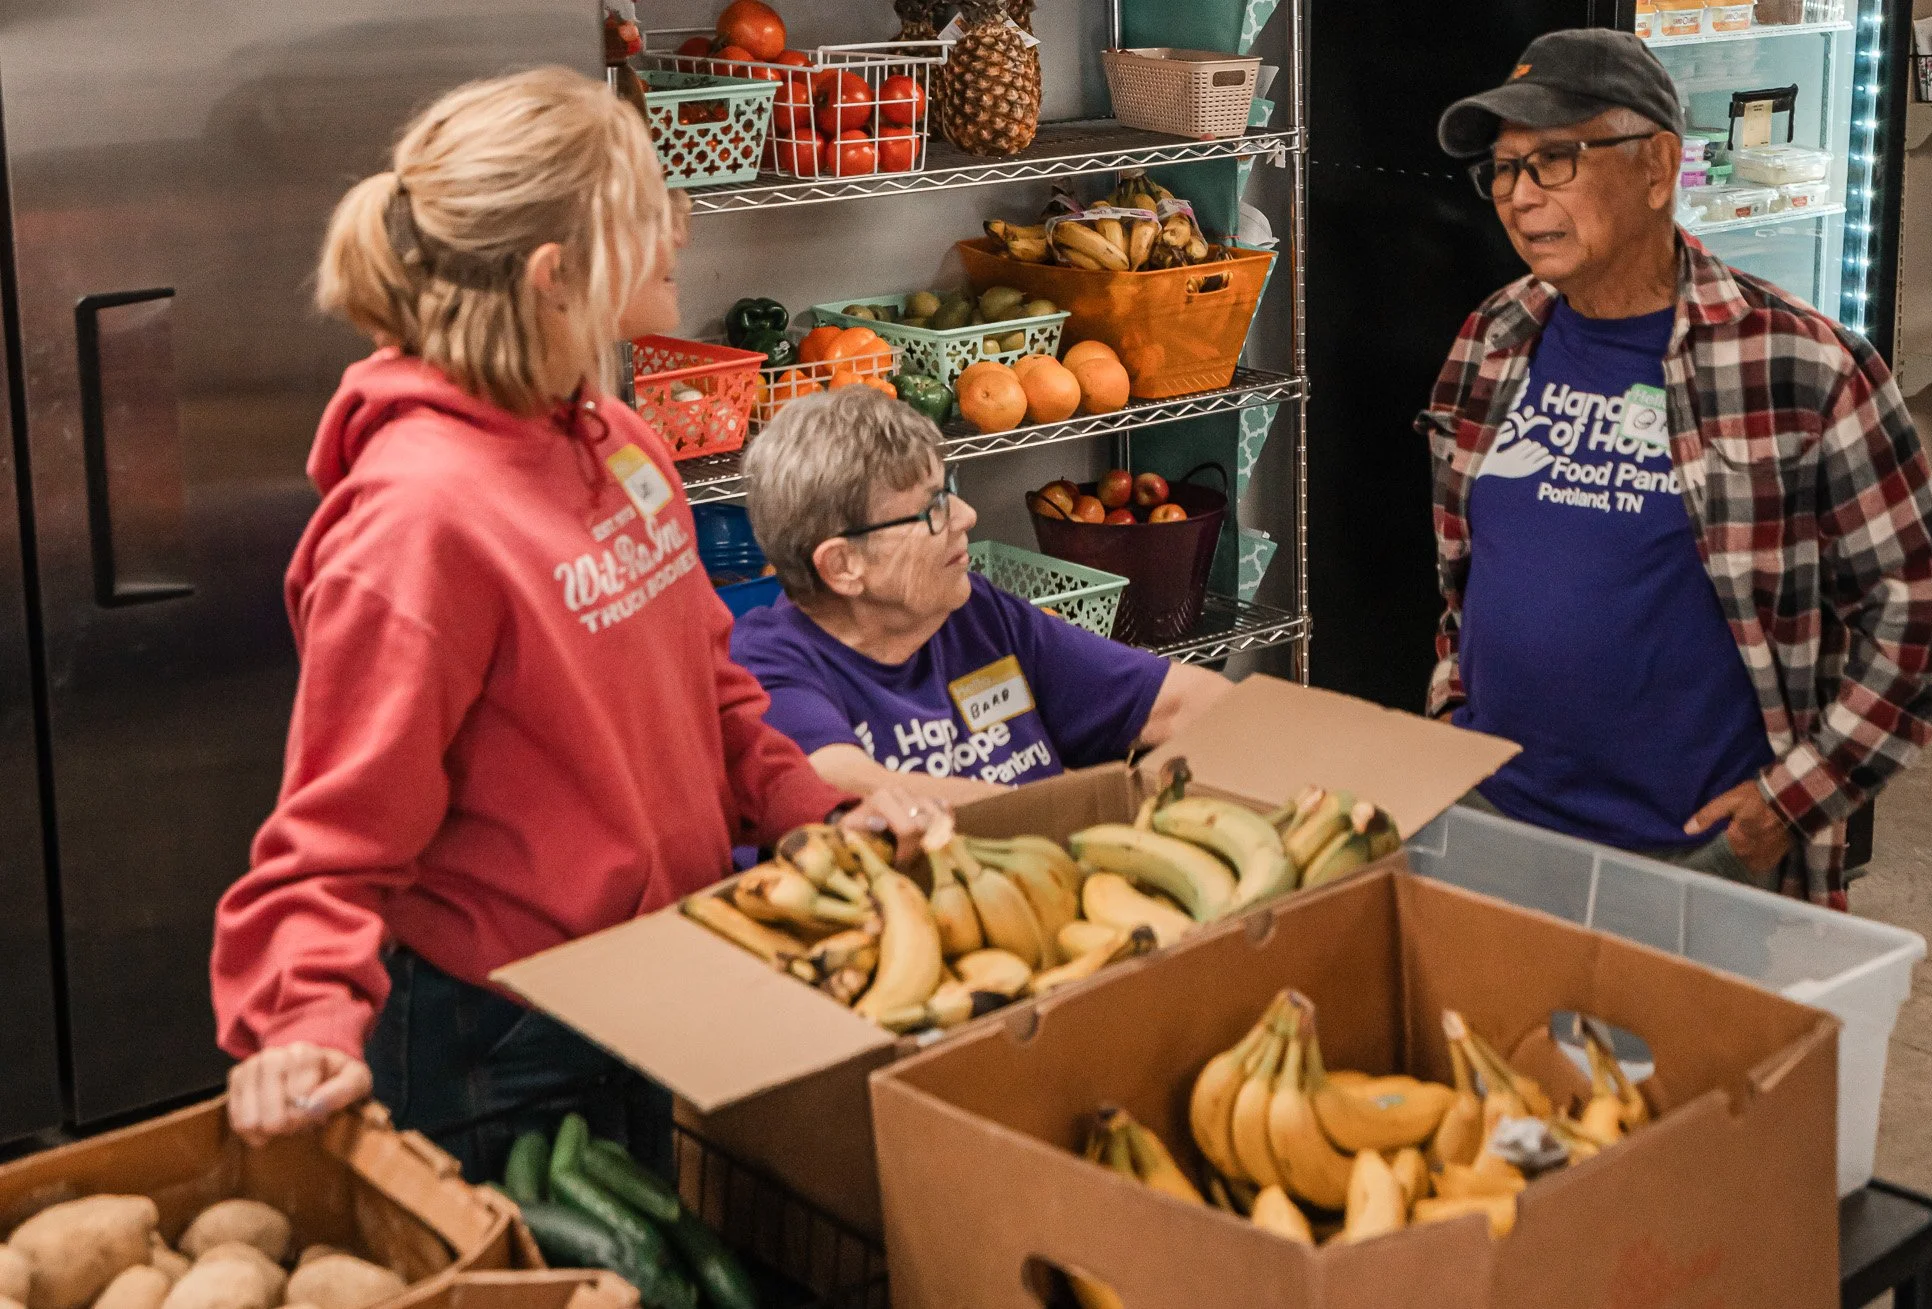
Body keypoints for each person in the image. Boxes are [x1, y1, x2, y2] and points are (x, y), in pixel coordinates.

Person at [209, 69, 933, 1179]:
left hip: (661, 973)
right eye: (650, 211)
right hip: (500, 1037)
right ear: (555, 278)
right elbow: (332, 841)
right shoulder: (418, 524)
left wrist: (808, 807)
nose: (679, 232)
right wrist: (299, 1021)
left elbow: (709, 682)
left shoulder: (616, 439)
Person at [1420, 30, 1932, 906]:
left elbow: (1925, 606)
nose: (1519, 197)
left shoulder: (1801, 364)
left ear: (1657, 166)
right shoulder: (1494, 336)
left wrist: (1789, 802)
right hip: (1492, 814)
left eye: (1553, 160)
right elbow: (1465, 569)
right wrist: (1452, 703)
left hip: (1696, 853)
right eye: (1503, 168)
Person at [729, 387, 1233, 806]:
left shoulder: (975, 613)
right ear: (843, 565)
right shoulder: (768, 663)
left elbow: (1181, 703)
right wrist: (1064, 813)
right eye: (932, 510)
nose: (967, 516)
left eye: (947, 491)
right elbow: (838, 781)